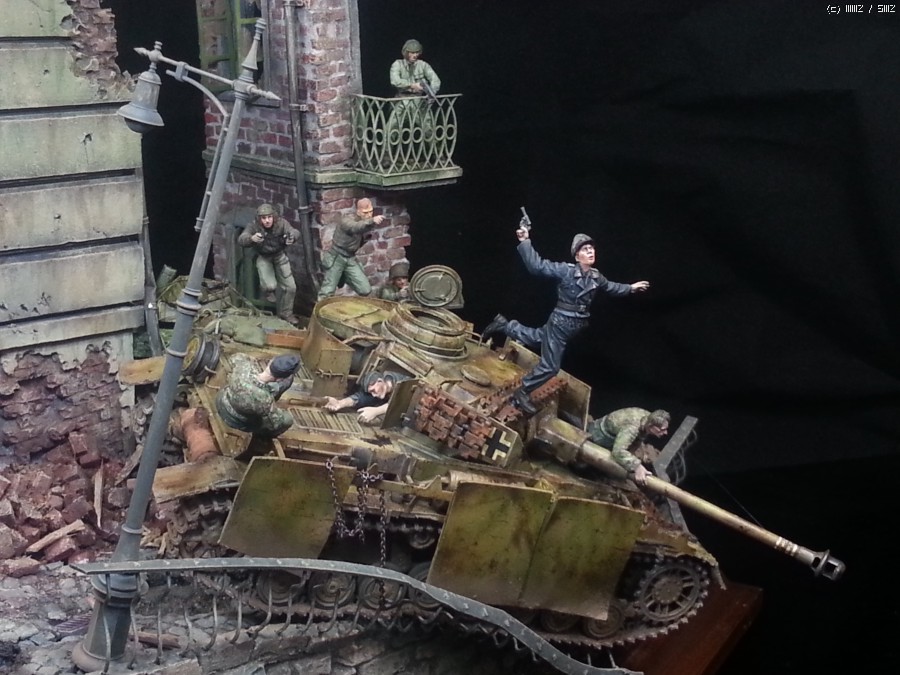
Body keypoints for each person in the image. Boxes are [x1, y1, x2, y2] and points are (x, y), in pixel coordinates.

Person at [483, 223, 651, 415]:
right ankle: (522, 391)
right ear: (577, 256)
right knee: (550, 367)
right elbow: (537, 266)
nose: (590, 251)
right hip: (560, 323)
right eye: (585, 249)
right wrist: (525, 241)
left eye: (591, 248)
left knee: (537, 337)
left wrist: (630, 288)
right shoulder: (566, 271)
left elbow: (611, 287)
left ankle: (505, 325)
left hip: (572, 327)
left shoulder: (596, 277)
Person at [237, 203, 300, 324]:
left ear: (274, 216)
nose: (267, 221)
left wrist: (292, 237)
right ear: (259, 219)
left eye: (269, 217)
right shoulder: (254, 226)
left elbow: (294, 231)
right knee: (270, 285)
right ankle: (267, 291)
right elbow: (241, 238)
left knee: (291, 288)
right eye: (263, 218)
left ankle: (286, 313)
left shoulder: (282, 223)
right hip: (264, 257)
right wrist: (251, 238)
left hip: (279, 256)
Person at [215, 353, 301, 438]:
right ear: (280, 379)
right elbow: (275, 423)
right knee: (287, 420)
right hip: (235, 420)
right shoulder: (266, 400)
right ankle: (263, 439)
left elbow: (235, 357)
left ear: (270, 362)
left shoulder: (244, 367)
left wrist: (252, 361)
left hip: (222, 401)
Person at [318, 198, 385, 300]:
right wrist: (372, 221)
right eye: (365, 212)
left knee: (365, 289)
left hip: (350, 258)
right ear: (358, 211)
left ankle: (345, 275)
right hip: (337, 257)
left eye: (370, 212)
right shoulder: (347, 220)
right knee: (327, 292)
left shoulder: (365, 224)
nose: (369, 215)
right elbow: (355, 227)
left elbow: (362, 229)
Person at [588, 408, 670, 485]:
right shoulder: (632, 428)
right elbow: (618, 452)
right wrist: (637, 467)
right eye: (662, 429)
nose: (665, 433)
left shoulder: (647, 419)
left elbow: (638, 438)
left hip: (616, 436)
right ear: (651, 426)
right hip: (599, 437)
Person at [323, 371, 409, 425]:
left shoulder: (403, 383)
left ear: (380, 381)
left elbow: (402, 402)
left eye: (373, 390)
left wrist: (376, 411)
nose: (374, 395)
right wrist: (340, 403)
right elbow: (362, 397)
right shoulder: (380, 389)